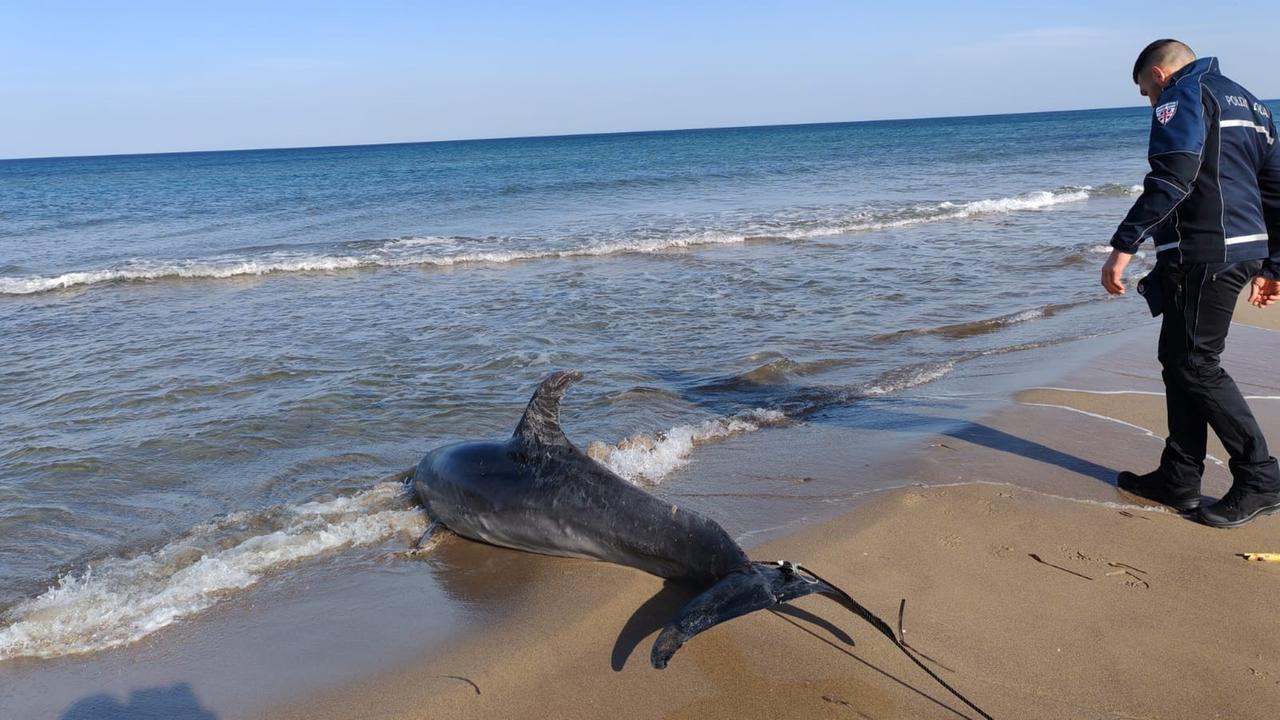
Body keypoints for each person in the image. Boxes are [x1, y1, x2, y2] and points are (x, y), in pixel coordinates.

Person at [1101, 39, 1280, 528]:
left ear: (1159, 75)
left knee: (1196, 365)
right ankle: (1178, 477)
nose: (1150, 102)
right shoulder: (1252, 103)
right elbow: (1276, 187)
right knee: (1180, 361)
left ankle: (1261, 477)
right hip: (1241, 249)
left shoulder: (1184, 93)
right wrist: (1273, 264)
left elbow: (1175, 172)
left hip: (1205, 251)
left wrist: (1124, 245)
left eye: (1146, 92)